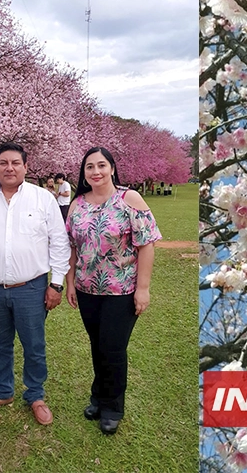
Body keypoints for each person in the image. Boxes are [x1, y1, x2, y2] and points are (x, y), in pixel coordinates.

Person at [0, 142, 70, 426]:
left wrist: (56, 284)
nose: (9, 168)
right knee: (0, 344)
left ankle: (35, 395)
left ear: (25, 166)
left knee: (34, 345)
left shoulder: (42, 199)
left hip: (31, 288)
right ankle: (3, 391)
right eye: (3, 163)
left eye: (15, 163)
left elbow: (59, 242)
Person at [65, 147, 162, 435]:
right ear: (83, 174)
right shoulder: (77, 204)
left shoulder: (129, 199)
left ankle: (112, 406)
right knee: (97, 345)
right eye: (89, 167)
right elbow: (71, 247)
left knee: (113, 348)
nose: (96, 172)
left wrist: (142, 289)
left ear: (112, 168)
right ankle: (98, 396)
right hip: (86, 289)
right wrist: (70, 283)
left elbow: (147, 244)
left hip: (121, 290)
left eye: (101, 165)